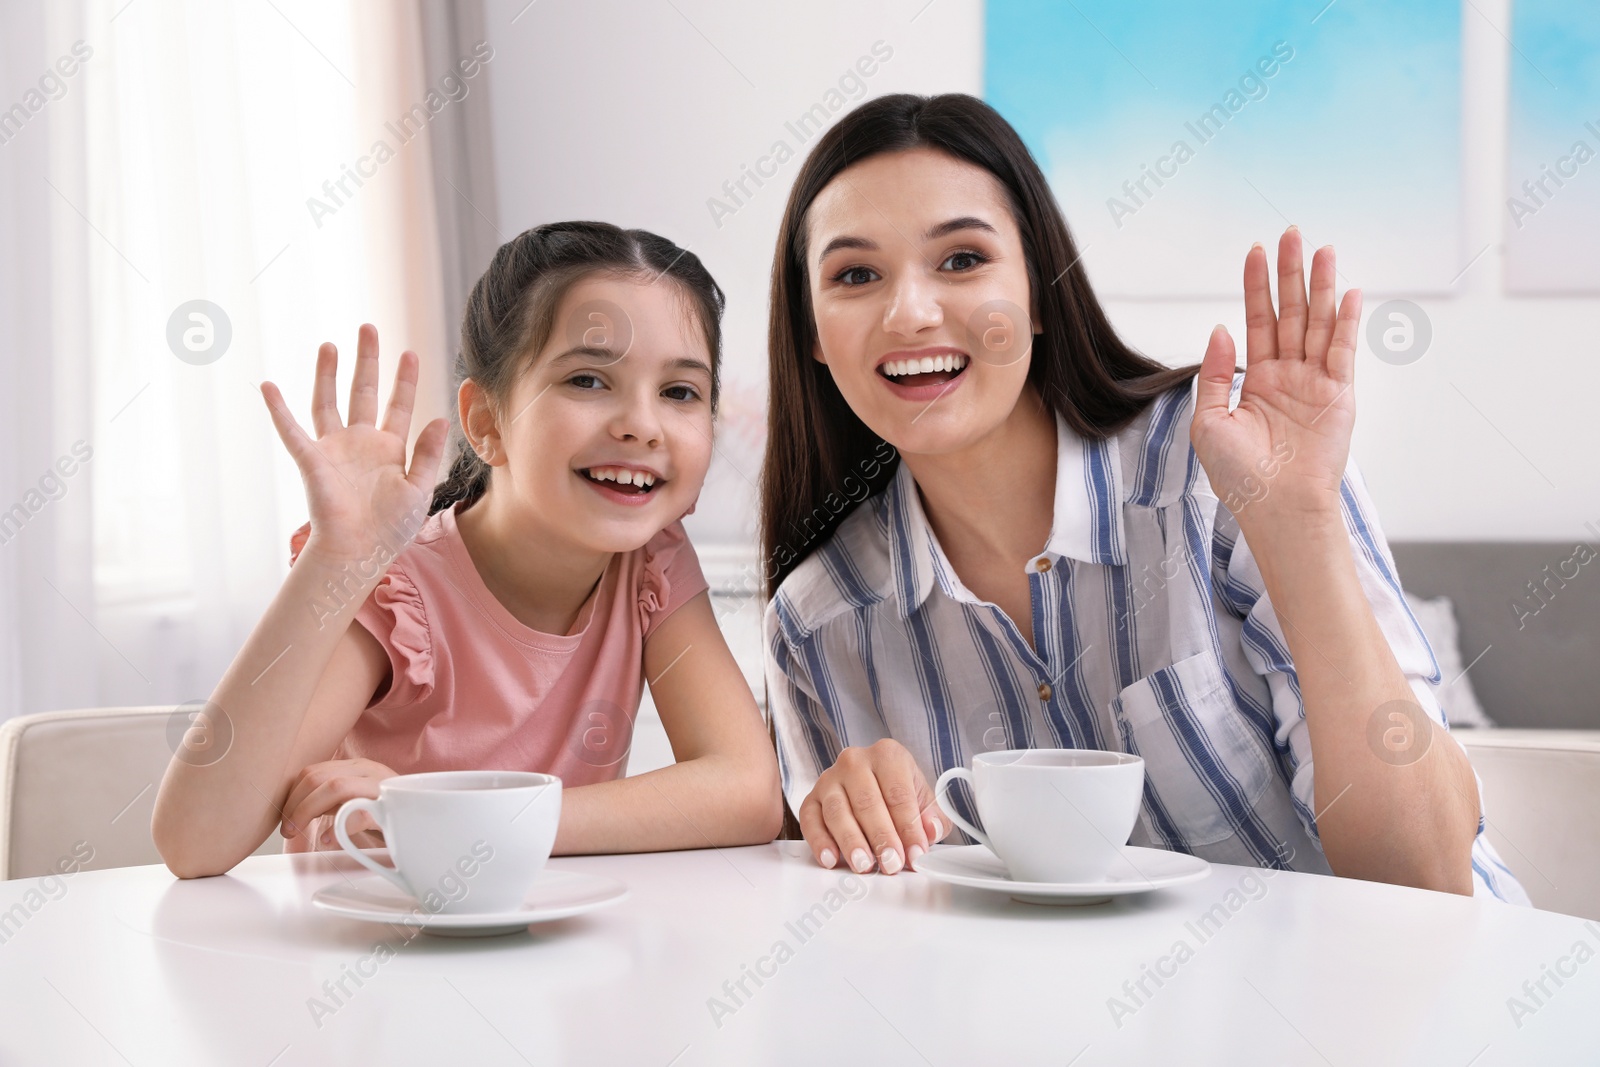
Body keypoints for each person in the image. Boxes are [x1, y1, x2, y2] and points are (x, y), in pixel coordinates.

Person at [759, 93, 1528, 903]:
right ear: (812, 330)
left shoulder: (1220, 469)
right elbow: (865, 953)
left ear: (1040, 291)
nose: (910, 312)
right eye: (855, 274)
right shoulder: (819, 626)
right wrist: (855, 826)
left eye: (961, 260)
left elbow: (1426, 876)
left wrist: (1298, 525)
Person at [154, 221, 782, 877]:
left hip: (542, 944)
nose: (642, 424)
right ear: (486, 421)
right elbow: (195, 841)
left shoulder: (651, 562)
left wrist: (469, 819)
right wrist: (337, 561)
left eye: (680, 391)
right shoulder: (400, 588)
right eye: (589, 381)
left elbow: (747, 791)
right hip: (367, 950)